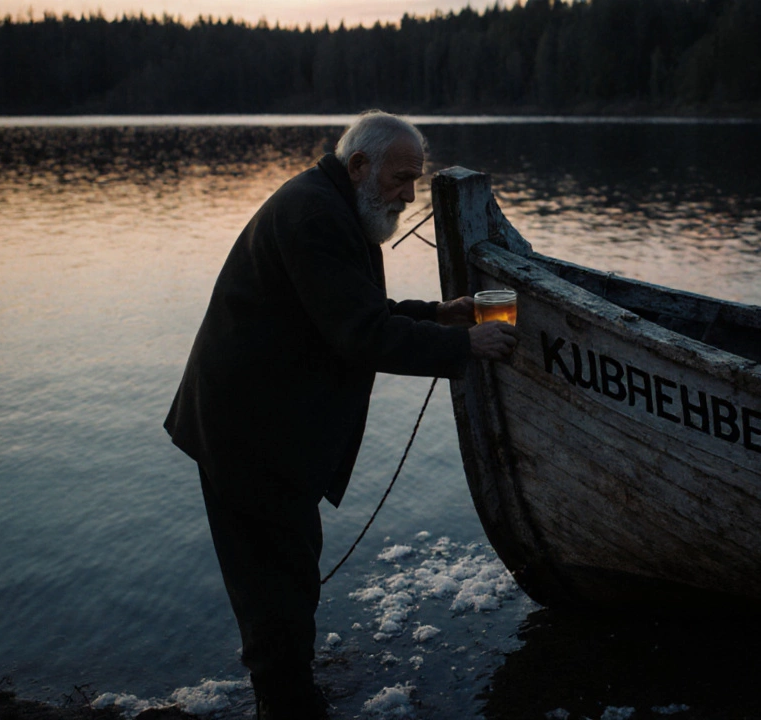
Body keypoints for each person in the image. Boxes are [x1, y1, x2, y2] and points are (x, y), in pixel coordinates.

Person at [163, 110, 517, 719]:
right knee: (275, 581)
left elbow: (352, 310)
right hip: (248, 431)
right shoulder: (314, 216)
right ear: (359, 166)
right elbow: (362, 334)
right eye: (403, 180)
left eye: (415, 181)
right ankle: (288, 704)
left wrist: (440, 315)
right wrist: (467, 345)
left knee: (287, 570)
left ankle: (288, 693)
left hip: (265, 424)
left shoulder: (332, 204)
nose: (410, 196)